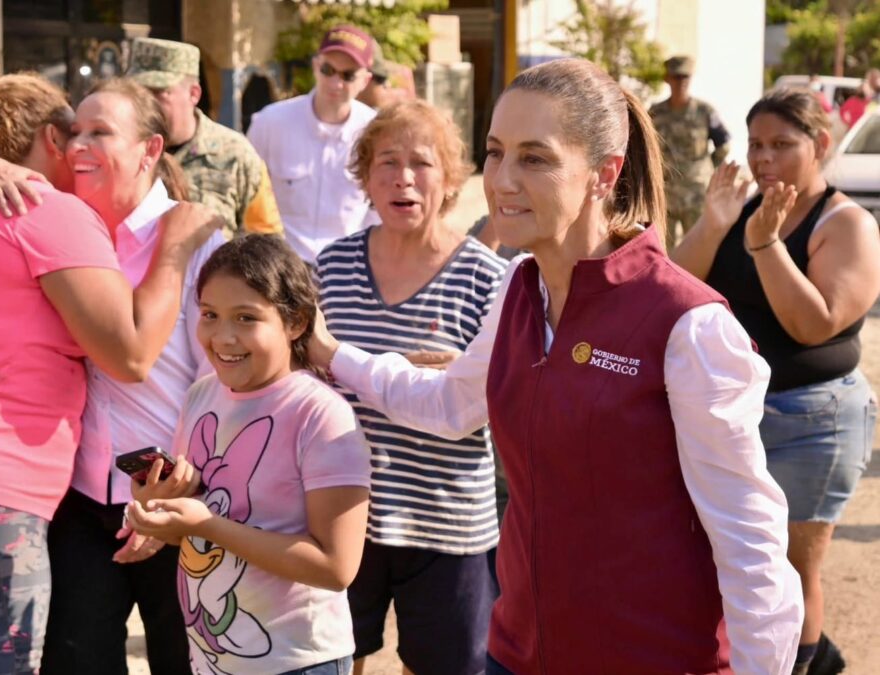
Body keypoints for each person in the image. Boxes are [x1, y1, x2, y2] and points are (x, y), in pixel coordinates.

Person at [307, 58, 805, 674]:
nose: (503, 180)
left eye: (535, 158)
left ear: (604, 174)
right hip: (516, 656)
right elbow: (450, 405)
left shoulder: (688, 325)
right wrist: (333, 354)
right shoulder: (519, 286)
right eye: (495, 153)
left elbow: (750, 541)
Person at [0, 53, 219, 674]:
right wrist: (176, 248)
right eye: (74, 132)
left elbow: (230, 376)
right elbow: (131, 353)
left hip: (161, 494)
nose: (82, 146)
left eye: (100, 133)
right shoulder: (51, 213)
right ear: (52, 139)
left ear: (149, 148)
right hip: (19, 496)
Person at [671, 87, 880, 675]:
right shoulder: (738, 210)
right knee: (727, 560)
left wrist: (765, 243)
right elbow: (669, 294)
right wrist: (714, 226)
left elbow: (814, 324)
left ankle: (804, 663)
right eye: (756, 145)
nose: (764, 159)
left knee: (788, 569)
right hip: (734, 415)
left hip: (812, 421)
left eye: (782, 145)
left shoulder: (847, 224)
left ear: (820, 144)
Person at [316, 100, 506, 675]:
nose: (403, 177)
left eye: (421, 163)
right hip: (344, 511)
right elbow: (308, 370)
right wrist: (403, 363)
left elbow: (486, 403)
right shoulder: (331, 266)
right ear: (365, 178)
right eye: (386, 162)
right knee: (335, 657)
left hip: (448, 522)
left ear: (449, 179)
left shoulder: (489, 278)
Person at [127, 234, 371, 675]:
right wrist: (156, 509)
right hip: (212, 661)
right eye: (209, 315)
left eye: (246, 318)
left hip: (297, 662)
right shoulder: (201, 396)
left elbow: (336, 567)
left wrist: (205, 524)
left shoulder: (321, 415)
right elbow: (200, 529)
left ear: (296, 322)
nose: (223, 336)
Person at [127, 37, 283, 239]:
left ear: (193, 94)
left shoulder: (235, 155)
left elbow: (268, 243)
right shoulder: (121, 149)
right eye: (137, 92)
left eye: (158, 92)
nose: (145, 103)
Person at [248, 24, 378, 263]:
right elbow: (249, 195)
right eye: (328, 69)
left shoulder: (375, 131)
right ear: (316, 66)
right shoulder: (269, 123)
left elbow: (378, 210)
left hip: (349, 266)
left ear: (365, 80)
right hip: (281, 264)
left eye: (348, 75)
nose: (336, 83)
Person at [649, 55, 731, 247]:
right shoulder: (655, 112)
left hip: (695, 192)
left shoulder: (704, 111)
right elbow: (646, 146)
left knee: (697, 246)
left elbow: (723, 144)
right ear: (667, 79)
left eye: (685, 77)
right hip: (665, 191)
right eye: (676, 77)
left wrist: (706, 168)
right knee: (661, 247)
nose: (681, 82)